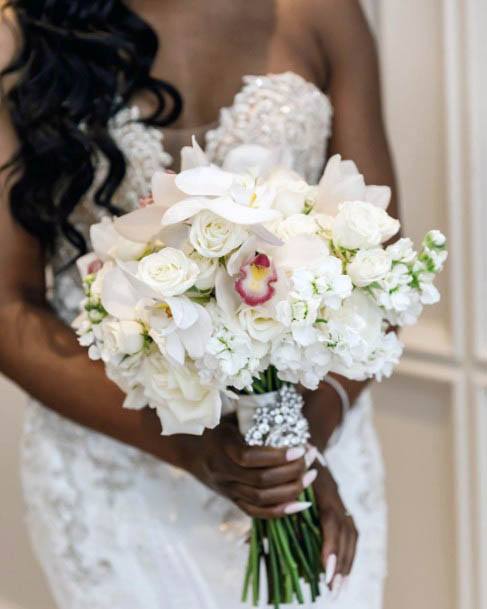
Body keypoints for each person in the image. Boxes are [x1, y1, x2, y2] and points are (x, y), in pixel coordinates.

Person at [0, 1, 398, 607]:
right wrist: (191, 447)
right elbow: (7, 307)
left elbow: (381, 266)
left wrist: (295, 454)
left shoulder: (323, 11)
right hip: (120, 459)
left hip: (315, 435)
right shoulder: (21, 40)